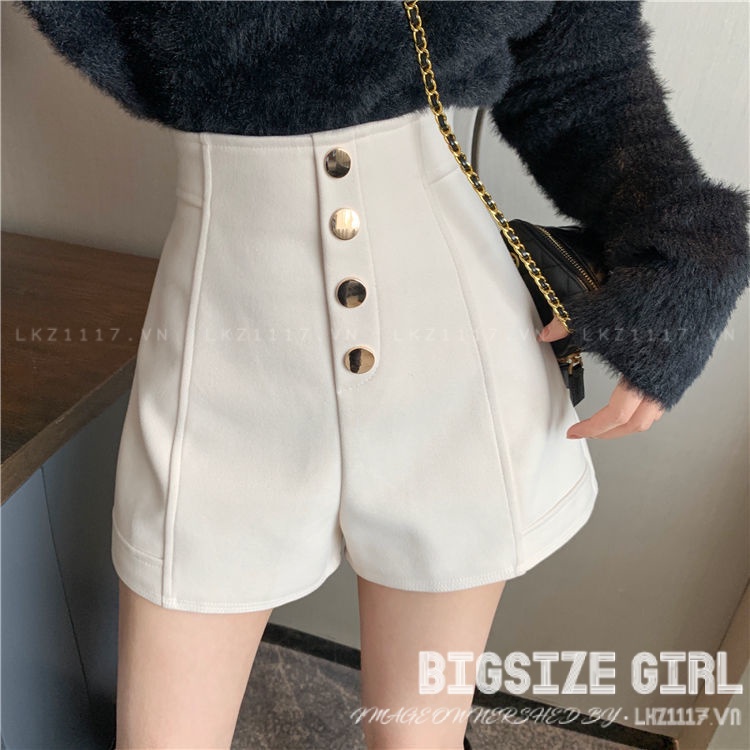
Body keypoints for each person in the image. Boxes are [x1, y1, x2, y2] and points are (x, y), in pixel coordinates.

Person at [16, 2, 749, 749]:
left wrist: (681, 246)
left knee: (418, 738)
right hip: (223, 353)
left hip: (453, 357)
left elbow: (578, 73)